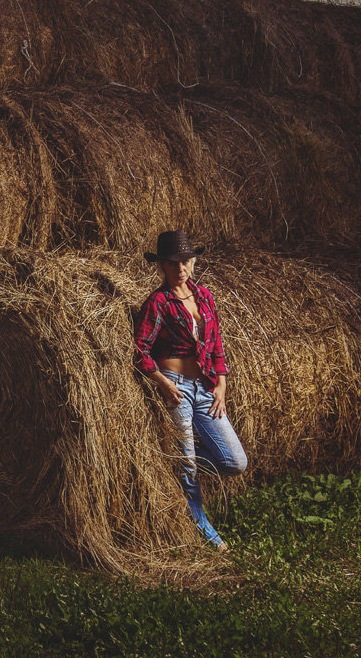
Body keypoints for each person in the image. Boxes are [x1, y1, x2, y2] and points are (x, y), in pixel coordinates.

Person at [133, 230, 248, 551]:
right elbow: (140, 350)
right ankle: (202, 525)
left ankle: (177, 462)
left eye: (184, 261)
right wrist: (164, 383)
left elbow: (217, 346)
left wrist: (222, 384)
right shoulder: (158, 302)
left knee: (235, 462)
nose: (179, 268)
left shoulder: (206, 297)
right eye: (172, 263)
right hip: (177, 389)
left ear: (193, 262)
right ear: (162, 267)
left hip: (206, 387)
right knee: (187, 466)